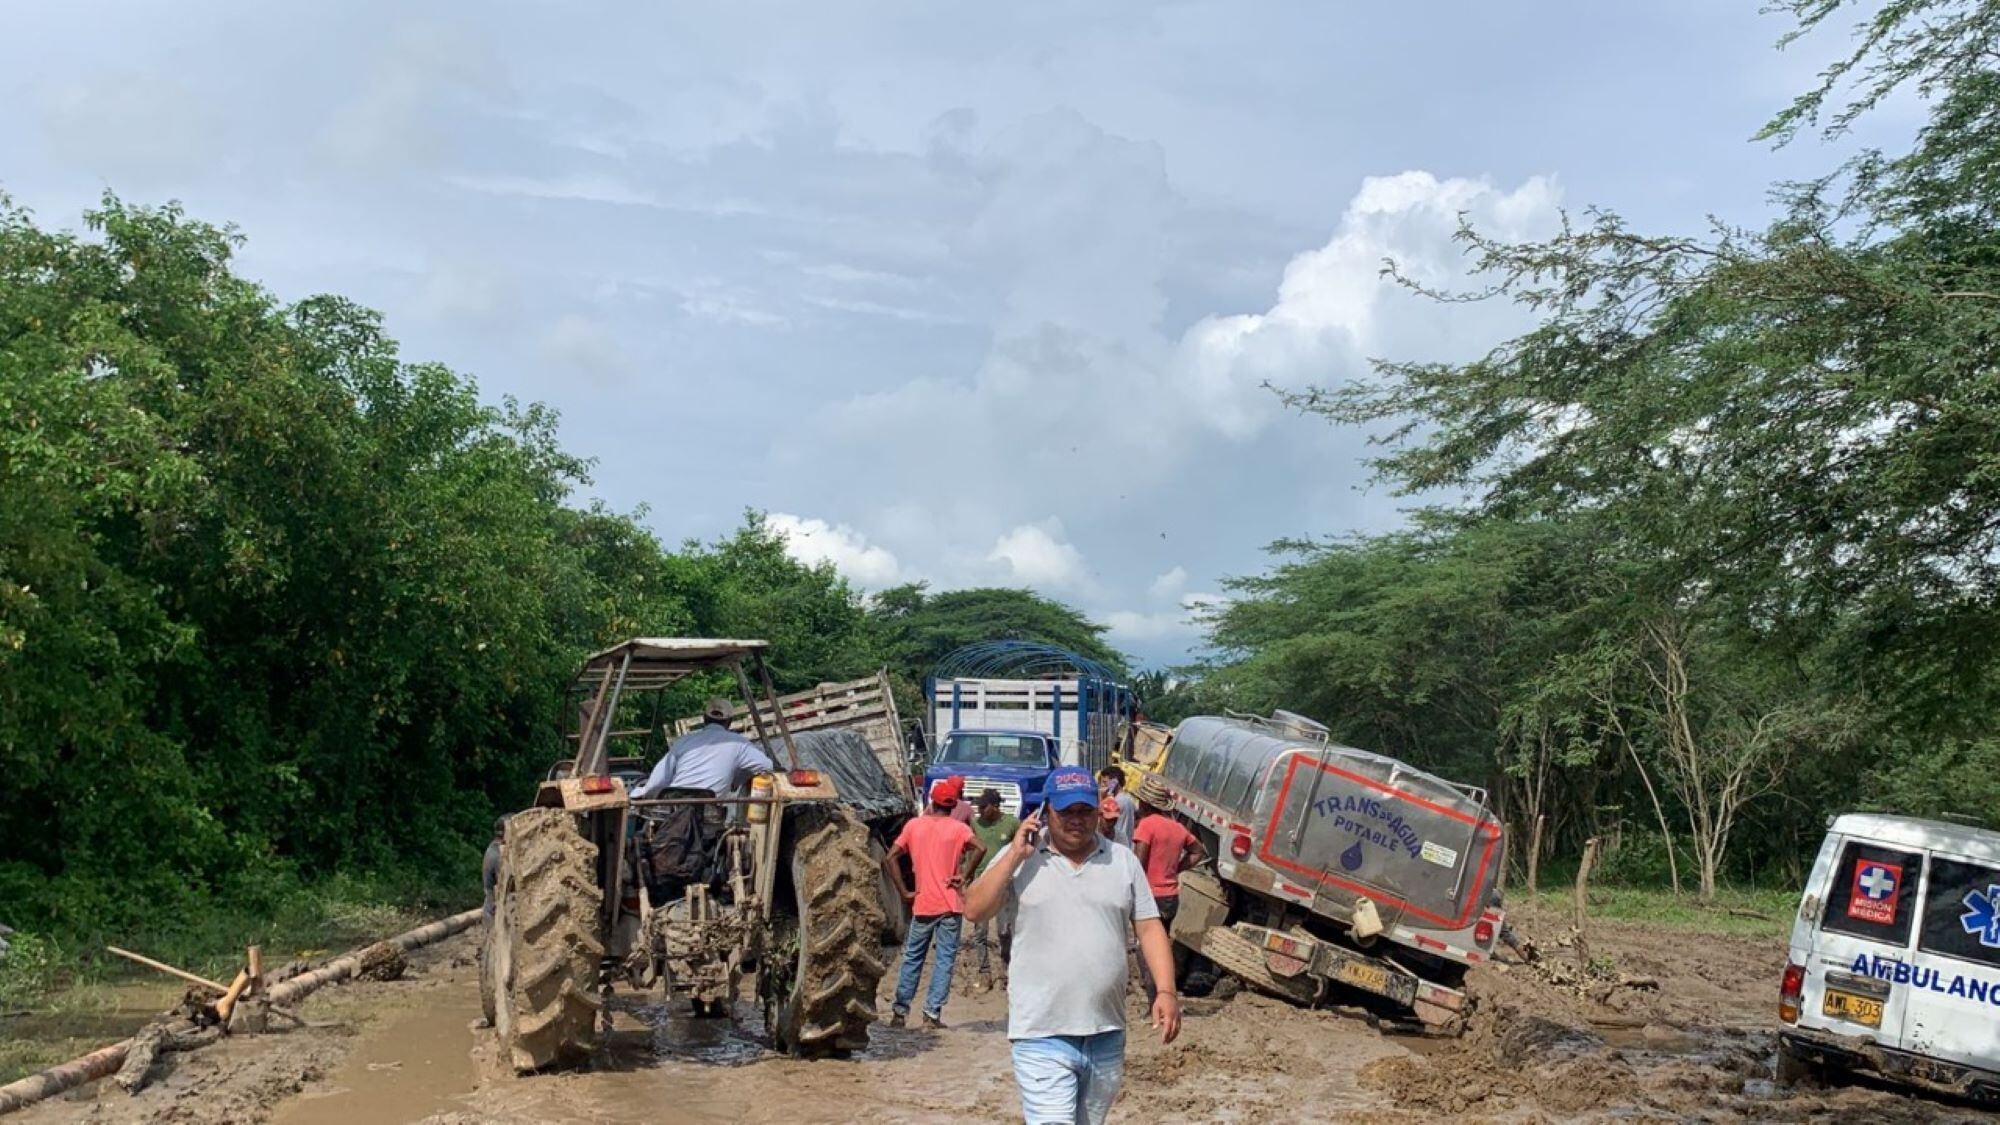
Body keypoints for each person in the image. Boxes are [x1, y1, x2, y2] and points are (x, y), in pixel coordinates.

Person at [966, 766, 1181, 1125]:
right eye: (1066, 812)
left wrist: (1166, 992)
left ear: (1098, 811)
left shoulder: (1122, 860)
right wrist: (1015, 855)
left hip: (1106, 1033)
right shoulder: (1021, 859)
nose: (1076, 820)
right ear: (1045, 812)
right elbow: (974, 909)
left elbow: (1148, 927)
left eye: (1085, 811)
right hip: (1041, 1033)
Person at [884, 775, 986, 1029]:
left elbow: (891, 857)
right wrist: (965, 875)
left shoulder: (913, 826)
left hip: (922, 903)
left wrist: (904, 891)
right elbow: (980, 847)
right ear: (953, 806)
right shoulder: (959, 829)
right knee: (944, 960)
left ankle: (900, 1012)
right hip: (950, 905)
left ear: (932, 801)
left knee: (912, 958)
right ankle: (931, 1014)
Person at [1130, 775, 1207, 1003]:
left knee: (1145, 948)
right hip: (1171, 896)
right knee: (1162, 944)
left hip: (1150, 895)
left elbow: (1139, 862)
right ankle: (1166, 991)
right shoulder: (1177, 828)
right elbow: (1198, 851)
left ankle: (1155, 998)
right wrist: (1177, 869)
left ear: (1145, 803)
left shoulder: (1146, 825)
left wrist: (1133, 888)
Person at [631, 697, 774, 798]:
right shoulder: (739, 744)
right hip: (710, 815)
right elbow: (767, 766)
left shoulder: (683, 741)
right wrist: (738, 779)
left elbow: (658, 781)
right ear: (729, 722)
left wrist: (645, 793)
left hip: (675, 810)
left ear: (704, 718)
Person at [965, 788, 1020, 989]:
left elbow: (1020, 849)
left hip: (1005, 883)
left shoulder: (1012, 824)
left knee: (1004, 930)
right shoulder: (975, 825)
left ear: (995, 806)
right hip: (981, 882)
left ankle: (1007, 972)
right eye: (978, 806)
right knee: (980, 932)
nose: (979, 810)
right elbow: (968, 852)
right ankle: (985, 972)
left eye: (983, 806)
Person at [1097, 767, 1137, 847]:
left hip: (1117, 843)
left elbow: (1102, 821)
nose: (1102, 785)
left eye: (1105, 782)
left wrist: (1102, 798)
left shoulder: (1116, 802)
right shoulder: (1129, 799)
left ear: (1114, 782)